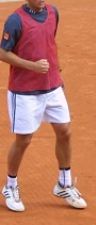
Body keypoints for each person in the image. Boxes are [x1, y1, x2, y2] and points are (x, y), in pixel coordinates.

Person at [0, 0, 87, 212]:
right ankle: (10, 186)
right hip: (24, 92)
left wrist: (55, 70)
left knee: (65, 131)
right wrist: (32, 66)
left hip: (52, 86)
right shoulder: (15, 20)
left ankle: (64, 183)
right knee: (24, 139)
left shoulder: (53, 13)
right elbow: (2, 53)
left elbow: (49, 42)